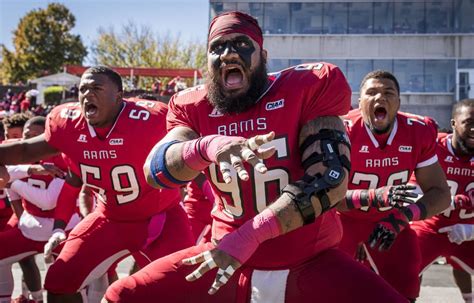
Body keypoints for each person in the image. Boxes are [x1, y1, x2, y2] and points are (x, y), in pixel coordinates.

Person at [104, 11, 406, 302]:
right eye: (217, 47)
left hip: (308, 259)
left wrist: (248, 236)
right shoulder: (192, 105)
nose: (229, 54)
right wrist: (207, 146)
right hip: (225, 258)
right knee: (122, 295)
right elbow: (155, 171)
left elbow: (330, 180)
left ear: (263, 56)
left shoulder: (308, 86)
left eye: (242, 45)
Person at [0, 66, 194, 303]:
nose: (87, 94)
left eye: (97, 88)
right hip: (108, 218)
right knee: (60, 281)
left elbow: (192, 144)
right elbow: (26, 149)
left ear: (118, 95)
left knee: (179, 289)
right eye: (83, 89)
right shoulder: (68, 124)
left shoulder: (151, 120)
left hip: (161, 218)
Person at [336, 70, 451, 301]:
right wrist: (373, 196)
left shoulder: (417, 130)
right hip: (342, 220)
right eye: (372, 93)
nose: (380, 98)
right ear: (360, 101)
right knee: (330, 289)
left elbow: (440, 194)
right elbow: (326, 196)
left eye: (388, 93)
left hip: (390, 221)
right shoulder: (342, 129)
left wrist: (403, 216)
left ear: (398, 102)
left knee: (405, 285)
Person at [0, 116, 76, 303]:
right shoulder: (15, 151)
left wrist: (13, 181)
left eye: (37, 136)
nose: (30, 139)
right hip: (31, 224)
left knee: (70, 278)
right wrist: (22, 217)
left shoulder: (64, 155)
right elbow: (12, 191)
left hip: (64, 228)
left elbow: (48, 201)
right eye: (28, 135)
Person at [411, 99, 474, 303]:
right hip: (431, 225)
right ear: (454, 123)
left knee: (461, 268)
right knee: (407, 266)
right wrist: (444, 201)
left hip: (470, 229)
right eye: (469, 122)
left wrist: (471, 230)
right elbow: (411, 190)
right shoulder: (433, 146)